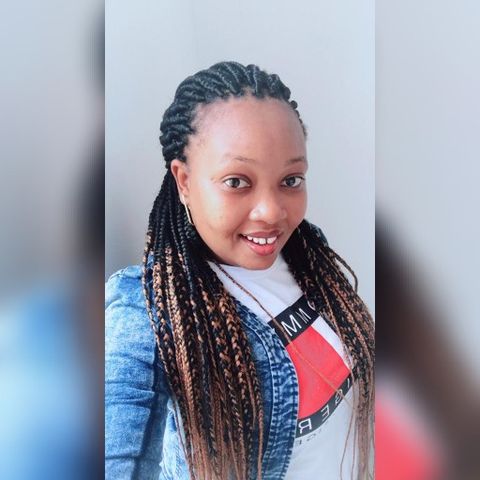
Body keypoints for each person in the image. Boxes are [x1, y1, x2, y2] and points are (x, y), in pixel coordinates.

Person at [105, 61, 375, 480]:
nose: (271, 212)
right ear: (184, 181)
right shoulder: (148, 309)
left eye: (291, 180)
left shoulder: (306, 253)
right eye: (236, 182)